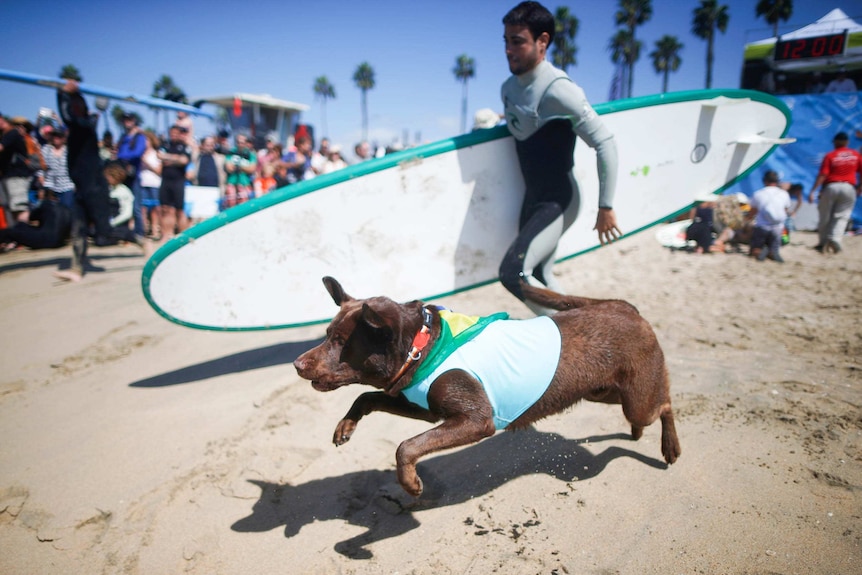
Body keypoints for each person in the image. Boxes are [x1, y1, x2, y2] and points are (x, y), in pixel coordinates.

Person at [498, 1, 620, 314]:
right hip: (532, 198)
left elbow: (605, 142)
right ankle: (581, 325)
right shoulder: (508, 88)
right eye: (506, 41)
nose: (509, 50)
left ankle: (571, 338)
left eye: (518, 41)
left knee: (514, 274)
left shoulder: (559, 90)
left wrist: (605, 206)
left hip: (559, 200)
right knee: (540, 274)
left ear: (543, 42)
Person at [55, 79, 116, 282]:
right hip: (81, 187)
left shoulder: (85, 125)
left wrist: (63, 94)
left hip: (94, 188)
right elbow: (68, 117)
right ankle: (76, 269)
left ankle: (142, 243)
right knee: (78, 229)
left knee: (104, 232)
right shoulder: (80, 126)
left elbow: (68, 117)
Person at [809, 131, 862, 254]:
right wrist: (860, 187)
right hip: (849, 187)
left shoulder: (830, 155)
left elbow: (823, 174)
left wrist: (814, 190)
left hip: (831, 186)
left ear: (836, 142)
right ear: (847, 142)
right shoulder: (856, 155)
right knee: (842, 216)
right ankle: (835, 239)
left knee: (825, 216)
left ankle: (822, 243)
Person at [0, 191, 71, 251]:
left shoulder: (46, 204)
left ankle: (7, 243)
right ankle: (9, 243)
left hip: (45, 240)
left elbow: (30, 217)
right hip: (59, 242)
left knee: (12, 230)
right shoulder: (65, 208)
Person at [156, 125, 191, 244]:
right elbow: (159, 156)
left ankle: (183, 236)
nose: (174, 135)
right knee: (165, 209)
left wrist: (168, 159)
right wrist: (176, 159)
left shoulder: (184, 147)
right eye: (172, 133)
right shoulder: (166, 145)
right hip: (166, 180)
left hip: (178, 181)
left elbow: (184, 160)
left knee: (179, 210)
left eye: (177, 133)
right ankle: (166, 235)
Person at [116, 111, 147, 237]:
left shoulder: (139, 137)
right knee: (122, 204)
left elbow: (137, 153)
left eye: (130, 119)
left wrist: (121, 157)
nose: (127, 122)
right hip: (122, 176)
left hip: (134, 176)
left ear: (134, 120)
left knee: (136, 207)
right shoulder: (123, 138)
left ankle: (139, 232)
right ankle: (123, 232)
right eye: (125, 119)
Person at [749, 170, 791, 263]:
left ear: (764, 181)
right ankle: (772, 251)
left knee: (755, 250)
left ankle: (761, 250)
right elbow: (786, 211)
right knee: (776, 243)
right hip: (778, 229)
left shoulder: (758, 194)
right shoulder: (784, 194)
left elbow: (752, 213)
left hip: (762, 227)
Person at [0, 114, 34, 227]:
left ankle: (24, 234)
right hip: (8, 175)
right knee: (12, 208)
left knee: (19, 207)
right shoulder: (5, 135)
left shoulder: (12, 133)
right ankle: (17, 236)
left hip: (17, 175)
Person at [40, 127, 76, 209]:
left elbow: (74, 167)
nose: (56, 138)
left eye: (59, 136)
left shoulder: (69, 151)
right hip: (50, 186)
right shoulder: (46, 150)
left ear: (63, 138)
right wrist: (42, 181)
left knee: (67, 211)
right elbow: (41, 167)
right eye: (54, 135)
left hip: (67, 186)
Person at [138, 131, 162, 238]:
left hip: (154, 184)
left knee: (155, 208)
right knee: (142, 208)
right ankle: (143, 230)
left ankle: (155, 230)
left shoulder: (156, 153)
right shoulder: (140, 153)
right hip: (142, 183)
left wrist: (147, 163)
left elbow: (159, 170)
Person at [223, 134, 257, 209]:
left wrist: (239, 167)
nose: (240, 144)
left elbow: (252, 169)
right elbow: (229, 168)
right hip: (232, 182)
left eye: (242, 142)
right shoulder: (231, 152)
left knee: (244, 206)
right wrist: (244, 167)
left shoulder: (250, 154)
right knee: (230, 205)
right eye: (238, 142)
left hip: (244, 183)